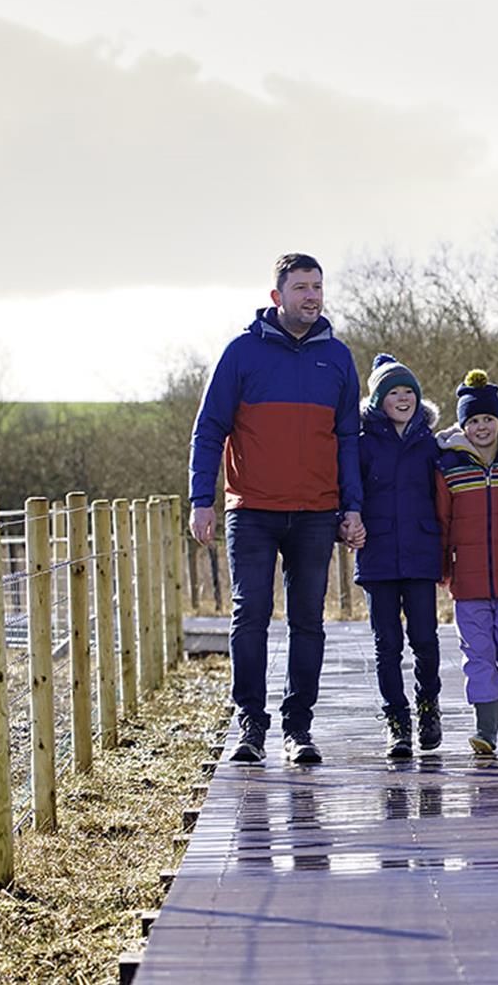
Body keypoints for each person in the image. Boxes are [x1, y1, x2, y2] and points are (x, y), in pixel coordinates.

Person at [189, 252, 364, 766]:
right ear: (277, 296)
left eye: (317, 287)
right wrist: (202, 499)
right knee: (251, 616)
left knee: (308, 621)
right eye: (300, 287)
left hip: (316, 512)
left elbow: (348, 439)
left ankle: (299, 728)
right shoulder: (241, 353)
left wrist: (352, 506)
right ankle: (250, 725)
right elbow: (209, 430)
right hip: (254, 511)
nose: (311, 295)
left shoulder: (337, 358)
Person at [434, 370, 498, 755]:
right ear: (464, 424)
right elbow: (442, 521)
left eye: (488, 419)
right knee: (477, 654)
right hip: (468, 580)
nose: (481, 427)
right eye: (473, 420)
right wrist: (443, 566)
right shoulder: (450, 466)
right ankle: (486, 730)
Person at [356, 353, 445, 758]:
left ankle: (429, 707)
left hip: (421, 552)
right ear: (378, 400)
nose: (403, 398)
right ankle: (397, 721)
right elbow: (350, 493)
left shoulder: (432, 442)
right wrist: (347, 521)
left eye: (409, 391)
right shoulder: (362, 443)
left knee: (425, 639)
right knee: (387, 644)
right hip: (378, 556)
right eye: (394, 392)